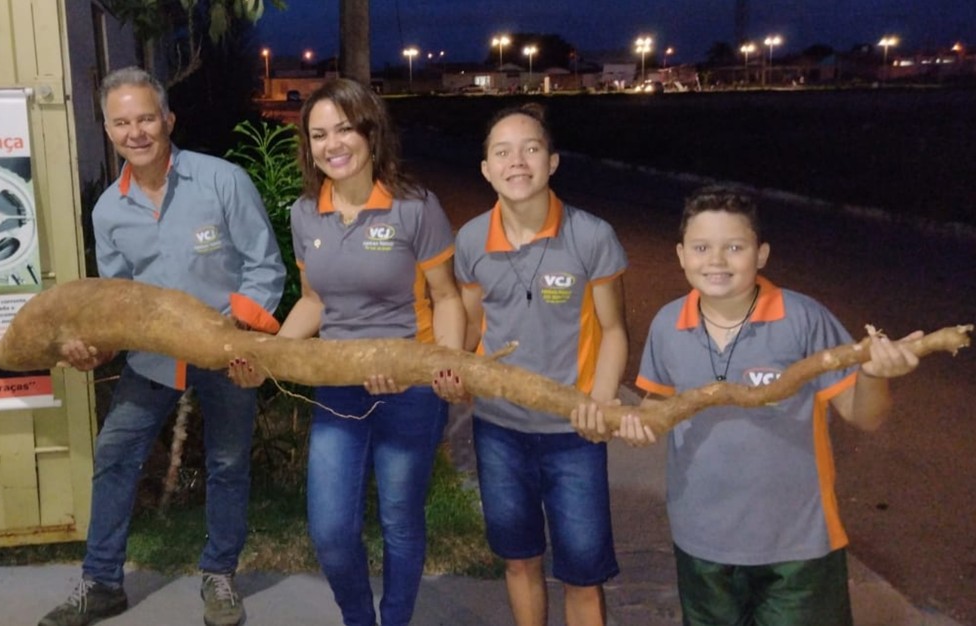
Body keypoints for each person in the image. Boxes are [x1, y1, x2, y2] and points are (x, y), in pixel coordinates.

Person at [576, 186, 921, 625]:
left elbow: (865, 416)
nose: (716, 260)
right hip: (701, 544)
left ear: (761, 254)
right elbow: (656, 410)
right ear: (682, 255)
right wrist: (619, 423)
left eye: (734, 247)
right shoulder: (668, 325)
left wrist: (874, 375)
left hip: (797, 548)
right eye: (702, 248)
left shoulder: (802, 319)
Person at [38, 67, 286, 626]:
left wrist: (234, 334)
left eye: (146, 118)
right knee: (114, 455)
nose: (136, 132)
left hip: (228, 352)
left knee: (227, 464)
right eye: (122, 122)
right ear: (107, 129)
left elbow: (264, 267)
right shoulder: (108, 210)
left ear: (168, 119)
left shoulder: (222, 181)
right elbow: (118, 302)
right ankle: (101, 581)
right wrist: (95, 344)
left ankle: (219, 576)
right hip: (154, 361)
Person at [230, 78, 465, 626]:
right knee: (331, 530)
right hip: (338, 385)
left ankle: (396, 619)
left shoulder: (414, 207)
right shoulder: (305, 213)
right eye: (317, 134)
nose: (332, 143)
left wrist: (446, 367)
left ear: (369, 131)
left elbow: (447, 297)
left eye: (343, 128)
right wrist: (272, 356)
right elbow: (314, 302)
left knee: (400, 517)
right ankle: (359, 618)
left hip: (410, 383)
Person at [439, 103, 627, 626]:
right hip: (499, 429)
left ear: (552, 161)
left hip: (575, 431)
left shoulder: (592, 236)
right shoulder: (473, 239)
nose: (516, 161)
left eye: (530, 149)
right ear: (486, 169)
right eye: (502, 151)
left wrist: (602, 402)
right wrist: (454, 369)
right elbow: (474, 323)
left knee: (582, 574)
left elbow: (614, 331)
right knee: (519, 559)